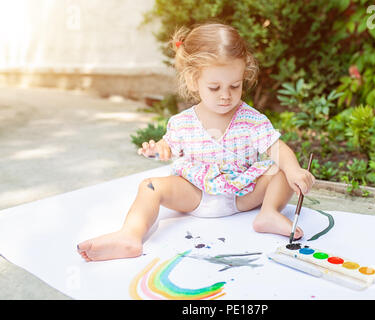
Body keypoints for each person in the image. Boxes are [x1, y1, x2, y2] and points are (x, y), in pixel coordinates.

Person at [77, 23, 315, 262]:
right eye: (214, 87)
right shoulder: (183, 122)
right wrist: (159, 149)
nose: (226, 95)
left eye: (235, 86)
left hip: (242, 194)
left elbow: (278, 149)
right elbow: (168, 146)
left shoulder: (251, 119)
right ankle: (129, 236)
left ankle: (269, 214)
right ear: (193, 81)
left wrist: (294, 170)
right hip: (195, 194)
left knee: (280, 171)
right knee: (149, 186)